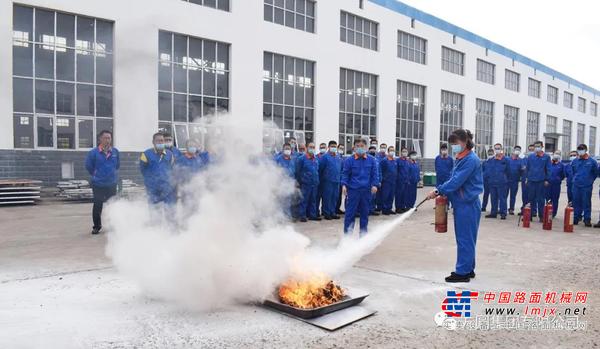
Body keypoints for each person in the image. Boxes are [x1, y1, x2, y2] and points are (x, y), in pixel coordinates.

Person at [426, 129, 483, 283]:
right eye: (452, 144)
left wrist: (439, 190)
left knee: (465, 238)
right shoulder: (461, 157)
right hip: (463, 203)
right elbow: (452, 178)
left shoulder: (470, 159)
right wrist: (443, 191)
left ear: (465, 142)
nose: (453, 147)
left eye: (455, 143)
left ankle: (462, 272)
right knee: (467, 238)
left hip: (467, 204)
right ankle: (469, 268)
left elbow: (457, 181)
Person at [341, 139, 379, 236]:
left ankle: (363, 236)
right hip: (353, 191)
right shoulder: (349, 160)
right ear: (354, 147)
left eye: (362, 146)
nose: (360, 148)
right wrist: (344, 185)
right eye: (357, 146)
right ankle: (347, 237)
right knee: (350, 214)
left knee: (365, 214)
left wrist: (375, 185)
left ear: (366, 147)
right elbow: (345, 174)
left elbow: (375, 174)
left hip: (366, 191)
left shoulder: (372, 160)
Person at [85, 130, 120, 235]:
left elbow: (117, 165)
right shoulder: (93, 153)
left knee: (112, 205)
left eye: (109, 138)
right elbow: (89, 166)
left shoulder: (115, 152)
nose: (107, 140)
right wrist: (96, 174)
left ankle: (112, 225)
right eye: (105, 138)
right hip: (98, 184)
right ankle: (97, 226)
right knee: (97, 205)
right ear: (100, 139)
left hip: (111, 183)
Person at [140, 132, 176, 205]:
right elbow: (143, 170)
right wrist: (151, 181)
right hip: (153, 189)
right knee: (154, 211)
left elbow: (172, 169)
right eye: (158, 140)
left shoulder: (170, 154)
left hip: (167, 188)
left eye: (162, 141)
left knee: (169, 211)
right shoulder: (146, 154)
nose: (160, 142)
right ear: (153, 142)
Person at [525, 141, 551, 222]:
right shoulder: (531, 157)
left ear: (542, 146)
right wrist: (526, 178)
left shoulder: (546, 157)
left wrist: (547, 179)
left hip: (541, 181)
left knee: (541, 199)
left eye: (538, 146)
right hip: (531, 180)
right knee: (530, 198)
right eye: (536, 146)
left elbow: (548, 169)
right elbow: (528, 168)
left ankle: (541, 216)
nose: (537, 148)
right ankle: (530, 215)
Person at [572, 144, 597, 227]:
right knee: (576, 202)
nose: (580, 151)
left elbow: (595, 173)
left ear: (586, 150)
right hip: (576, 185)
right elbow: (573, 171)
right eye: (579, 149)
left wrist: (590, 181)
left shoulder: (592, 161)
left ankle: (587, 219)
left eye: (582, 149)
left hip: (587, 186)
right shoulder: (575, 161)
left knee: (586, 203)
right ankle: (575, 218)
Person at [296, 142, 321, 222]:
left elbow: (317, 170)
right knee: (304, 200)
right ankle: (302, 215)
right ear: (306, 148)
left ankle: (312, 215)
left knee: (313, 200)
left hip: (315, 183)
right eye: (310, 147)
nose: (312, 149)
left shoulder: (316, 159)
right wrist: (300, 181)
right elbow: (298, 171)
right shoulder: (301, 159)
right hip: (305, 183)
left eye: (313, 147)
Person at [319, 141, 343, 220]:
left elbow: (341, 169)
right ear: (328, 147)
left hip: (336, 181)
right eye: (332, 146)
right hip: (327, 181)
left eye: (335, 146)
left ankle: (333, 212)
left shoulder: (338, 157)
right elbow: (320, 169)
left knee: (334, 197)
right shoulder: (324, 157)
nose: (333, 148)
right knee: (327, 197)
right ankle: (326, 213)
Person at [485, 143, 510, 219]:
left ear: (501, 149)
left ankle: (503, 213)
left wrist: (505, 179)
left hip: (502, 183)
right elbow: (488, 171)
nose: (497, 150)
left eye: (498, 148)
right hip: (492, 182)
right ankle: (493, 213)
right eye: (496, 148)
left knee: (502, 198)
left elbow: (509, 172)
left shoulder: (506, 160)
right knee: (493, 198)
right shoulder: (491, 160)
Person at [275, 143, 297, 219]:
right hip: (281, 183)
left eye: (289, 149)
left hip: (290, 182)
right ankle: (280, 217)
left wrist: (295, 182)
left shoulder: (293, 160)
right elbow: (274, 171)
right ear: (283, 149)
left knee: (288, 201)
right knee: (281, 201)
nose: (287, 150)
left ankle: (287, 216)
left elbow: (295, 171)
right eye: (286, 149)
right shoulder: (278, 159)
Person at [546, 151, 565, 218]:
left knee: (555, 199)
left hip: (556, 185)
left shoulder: (561, 165)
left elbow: (563, 175)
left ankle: (553, 213)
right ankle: (547, 211)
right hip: (548, 184)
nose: (556, 155)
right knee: (548, 199)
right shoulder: (549, 164)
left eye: (558, 154)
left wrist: (558, 179)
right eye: (555, 154)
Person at [507, 146, 525, 215]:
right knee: (504, 196)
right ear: (513, 150)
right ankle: (502, 208)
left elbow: (523, 170)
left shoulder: (521, 160)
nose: (517, 151)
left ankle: (511, 209)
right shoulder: (508, 159)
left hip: (515, 180)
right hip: (507, 180)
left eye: (519, 150)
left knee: (513, 196)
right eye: (516, 149)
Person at [380, 146, 398, 215]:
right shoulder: (384, 160)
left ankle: (389, 208)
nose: (392, 152)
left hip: (393, 181)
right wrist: (382, 179)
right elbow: (381, 170)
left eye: (393, 150)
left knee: (391, 196)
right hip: (386, 181)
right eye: (390, 150)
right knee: (385, 195)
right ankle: (384, 209)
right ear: (388, 151)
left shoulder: (394, 160)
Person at [519, 144, 536, 215]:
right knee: (525, 196)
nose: (531, 151)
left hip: (533, 180)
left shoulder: (537, 159)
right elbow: (521, 168)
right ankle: (524, 210)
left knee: (533, 196)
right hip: (524, 180)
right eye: (530, 150)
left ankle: (533, 211)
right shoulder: (524, 159)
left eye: (533, 150)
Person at [395, 147, 410, 213]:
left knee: (405, 194)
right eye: (403, 151)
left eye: (406, 151)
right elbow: (396, 170)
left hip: (406, 180)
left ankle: (403, 207)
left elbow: (408, 171)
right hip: (399, 180)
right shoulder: (398, 160)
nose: (404, 153)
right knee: (399, 194)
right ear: (401, 153)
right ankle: (398, 208)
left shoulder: (407, 161)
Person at [367, 145, 381, 216]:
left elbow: (379, 171)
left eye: (374, 149)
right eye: (371, 149)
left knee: (374, 197)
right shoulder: (367, 158)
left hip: (375, 180)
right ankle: (367, 210)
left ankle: (372, 209)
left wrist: (379, 180)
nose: (372, 151)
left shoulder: (376, 160)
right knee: (368, 196)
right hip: (368, 181)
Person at [375, 143, 388, 212]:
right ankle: (378, 206)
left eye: (384, 147)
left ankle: (384, 207)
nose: (383, 148)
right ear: (380, 148)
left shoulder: (387, 157)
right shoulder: (376, 157)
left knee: (385, 193)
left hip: (386, 178)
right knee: (378, 194)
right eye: (382, 147)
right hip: (378, 177)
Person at [336, 145, 348, 215]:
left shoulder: (343, 158)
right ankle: (333, 210)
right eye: (340, 148)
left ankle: (337, 209)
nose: (341, 150)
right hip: (335, 179)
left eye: (343, 149)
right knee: (334, 196)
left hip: (341, 179)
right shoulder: (336, 157)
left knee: (340, 195)